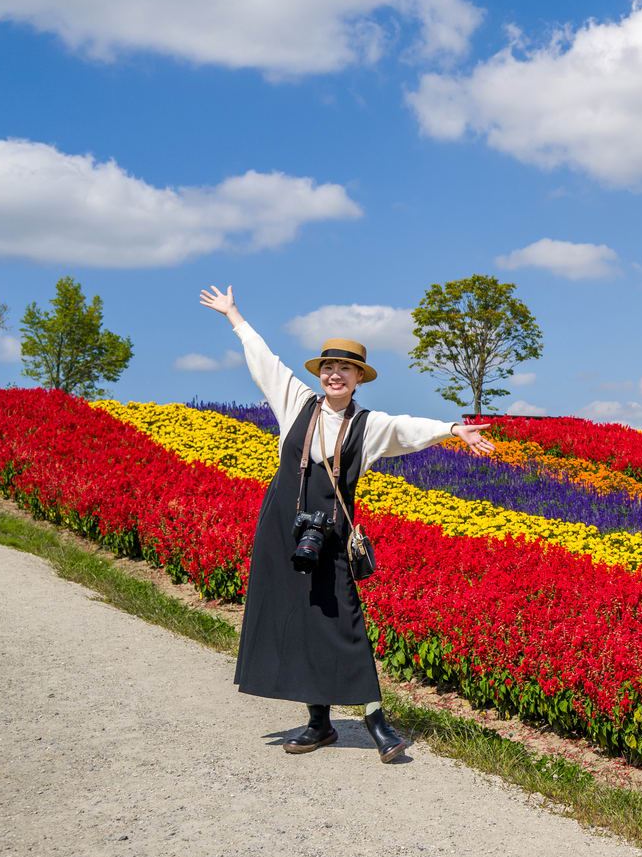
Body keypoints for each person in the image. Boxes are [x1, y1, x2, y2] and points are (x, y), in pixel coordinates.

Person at [199, 284, 495, 762]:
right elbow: (264, 361)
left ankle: (377, 723)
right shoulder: (296, 401)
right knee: (298, 620)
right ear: (321, 374)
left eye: (346, 369)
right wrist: (234, 316)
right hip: (283, 524)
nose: (336, 375)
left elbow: (407, 428)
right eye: (329, 368)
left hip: (333, 534)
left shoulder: (367, 424)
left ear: (359, 378)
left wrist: (454, 429)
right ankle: (319, 723)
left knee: (346, 623)